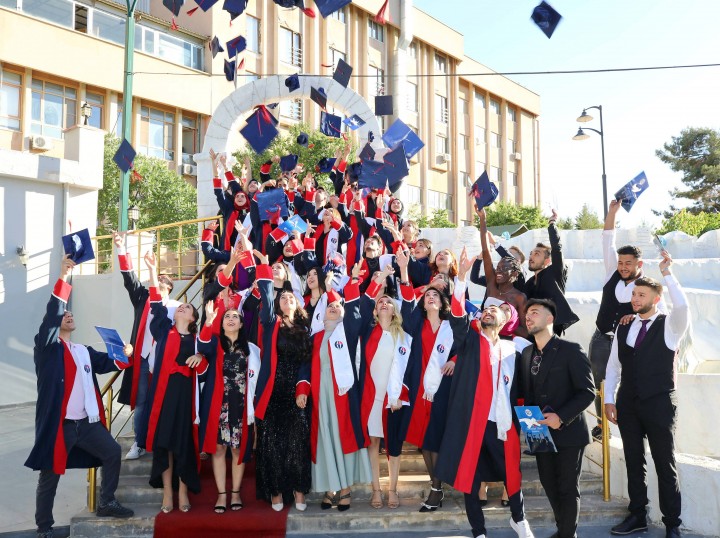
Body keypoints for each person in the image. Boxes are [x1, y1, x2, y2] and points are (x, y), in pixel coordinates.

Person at [26, 255, 134, 538]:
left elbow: (111, 363)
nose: (68, 315)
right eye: (64, 315)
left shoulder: (83, 351)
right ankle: (44, 528)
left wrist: (125, 355)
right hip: (58, 425)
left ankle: (106, 501)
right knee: (50, 477)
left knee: (112, 452)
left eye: (71, 314)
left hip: (85, 423)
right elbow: (52, 314)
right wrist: (64, 276)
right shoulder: (47, 348)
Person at [436, 248, 534, 538]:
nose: (492, 310)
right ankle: (478, 530)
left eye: (500, 311)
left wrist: (531, 422)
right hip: (472, 421)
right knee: (470, 475)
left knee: (512, 474)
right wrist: (462, 278)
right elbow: (456, 315)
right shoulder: (469, 341)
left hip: (502, 423)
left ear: (508, 323)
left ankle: (519, 518)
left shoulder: (513, 349)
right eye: (488, 308)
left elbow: (525, 389)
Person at [604, 252, 689, 538]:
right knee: (633, 460)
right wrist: (609, 399)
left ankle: (672, 524)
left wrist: (667, 274)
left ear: (656, 297)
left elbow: (683, 307)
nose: (635, 298)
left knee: (665, 464)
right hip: (628, 402)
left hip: (660, 403)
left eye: (642, 294)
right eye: (634, 294)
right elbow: (613, 366)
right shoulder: (624, 324)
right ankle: (638, 515)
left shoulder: (670, 326)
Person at [295, 266, 372, 511]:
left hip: (342, 395)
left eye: (338, 306)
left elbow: (354, 314)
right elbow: (305, 368)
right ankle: (330, 488)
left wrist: (347, 285)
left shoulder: (346, 333)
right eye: (330, 306)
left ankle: (346, 489)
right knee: (325, 439)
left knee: (342, 438)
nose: (333, 307)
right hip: (320, 396)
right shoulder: (314, 338)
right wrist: (302, 390)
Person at [518, 298, 595, 538]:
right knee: (549, 484)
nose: (528, 317)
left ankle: (566, 535)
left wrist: (560, 417)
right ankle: (564, 531)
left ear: (550, 318)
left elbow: (587, 392)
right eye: (527, 314)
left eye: (534, 312)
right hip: (538, 431)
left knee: (567, 488)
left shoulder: (571, 350)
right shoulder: (527, 353)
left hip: (568, 432)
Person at [143, 251, 208, 513]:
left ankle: (183, 490)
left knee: (183, 444)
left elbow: (205, 366)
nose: (182, 306)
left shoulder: (197, 340)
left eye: (188, 307)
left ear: (193, 318)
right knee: (164, 444)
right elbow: (156, 303)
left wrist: (200, 355)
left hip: (186, 399)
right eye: (180, 305)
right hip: (164, 396)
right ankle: (167, 492)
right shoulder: (163, 330)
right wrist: (151, 270)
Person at [395, 248, 456, 513]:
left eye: (435, 295)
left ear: (443, 303)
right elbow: (407, 299)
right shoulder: (415, 323)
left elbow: (466, 346)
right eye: (427, 295)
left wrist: (455, 360)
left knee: (436, 438)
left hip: (443, 390)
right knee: (423, 440)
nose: (430, 297)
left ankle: (436, 489)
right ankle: (437, 487)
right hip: (420, 388)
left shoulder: (452, 325)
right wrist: (404, 271)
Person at [113, 231, 180, 460]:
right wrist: (121, 249)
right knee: (141, 402)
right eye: (156, 277)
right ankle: (139, 443)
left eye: (163, 280)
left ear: (169, 287)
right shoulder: (142, 297)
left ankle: (164, 441)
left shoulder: (177, 307)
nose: (158, 281)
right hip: (141, 357)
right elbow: (128, 277)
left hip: (164, 361)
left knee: (165, 401)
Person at [253, 255, 312, 511]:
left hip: (294, 391)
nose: (288, 300)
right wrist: (265, 266)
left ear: (298, 303)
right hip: (271, 390)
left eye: (292, 298)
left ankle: (299, 492)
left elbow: (305, 363)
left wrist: (302, 389)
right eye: (283, 298)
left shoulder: (305, 328)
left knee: (297, 442)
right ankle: (275, 492)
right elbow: (266, 296)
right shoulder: (270, 323)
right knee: (270, 443)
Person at [589, 200, 650, 440]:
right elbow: (607, 239)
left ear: (639, 264)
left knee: (632, 382)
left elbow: (656, 312)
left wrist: (634, 315)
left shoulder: (646, 285)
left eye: (628, 263)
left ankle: (633, 426)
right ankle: (602, 427)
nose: (623, 267)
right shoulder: (610, 273)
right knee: (598, 382)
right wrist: (611, 213)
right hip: (602, 338)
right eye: (621, 262)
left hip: (629, 342)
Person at [198, 282, 261, 514]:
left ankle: (235, 492)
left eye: (236, 316)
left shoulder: (252, 349)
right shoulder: (215, 345)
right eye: (228, 317)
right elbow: (202, 344)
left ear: (242, 323)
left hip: (241, 405)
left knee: (237, 450)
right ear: (222, 323)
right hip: (218, 405)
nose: (231, 319)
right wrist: (208, 321)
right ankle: (221, 495)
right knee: (218, 449)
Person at [358, 264, 412, 510]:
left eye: (388, 302)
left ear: (394, 310)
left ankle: (392, 489)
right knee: (373, 444)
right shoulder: (366, 334)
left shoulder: (403, 336)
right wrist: (377, 280)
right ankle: (376, 490)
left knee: (394, 447)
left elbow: (407, 371)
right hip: (371, 397)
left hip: (393, 398)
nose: (383, 304)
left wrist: (399, 394)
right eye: (380, 301)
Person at [524, 210, 578, 335]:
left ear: (547, 260)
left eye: (537, 254)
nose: (531, 257)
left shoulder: (554, 272)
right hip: (532, 334)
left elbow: (556, 248)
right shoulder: (528, 284)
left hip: (551, 334)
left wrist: (552, 223)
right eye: (531, 254)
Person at [475, 208, 528, 336]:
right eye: (498, 268)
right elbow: (486, 251)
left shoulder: (519, 297)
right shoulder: (492, 284)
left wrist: (503, 322)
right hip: (482, 336)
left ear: (515, 274)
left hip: (504, 343)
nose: (499, 271)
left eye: (505, 269)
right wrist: (483, 219)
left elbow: (526, 332)